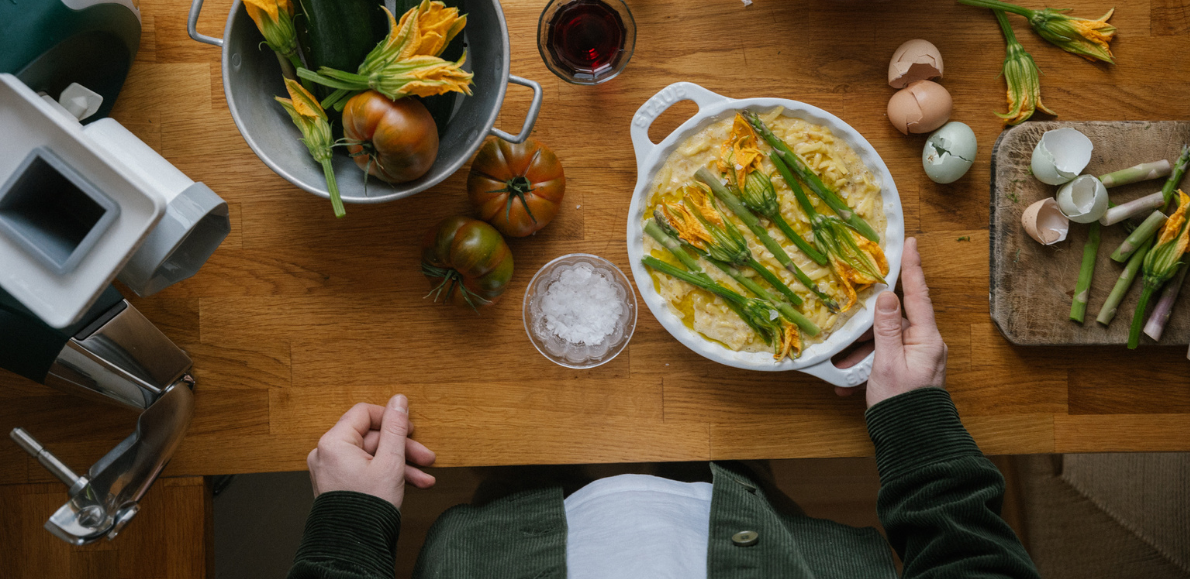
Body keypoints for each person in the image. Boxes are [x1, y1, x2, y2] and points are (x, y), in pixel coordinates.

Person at [287, 238, 1041, 578]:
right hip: (759, 531)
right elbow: (973, 566)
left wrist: (351, 527)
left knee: (513, 481)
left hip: (502, 547)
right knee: (737, 466)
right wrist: (914, 424)